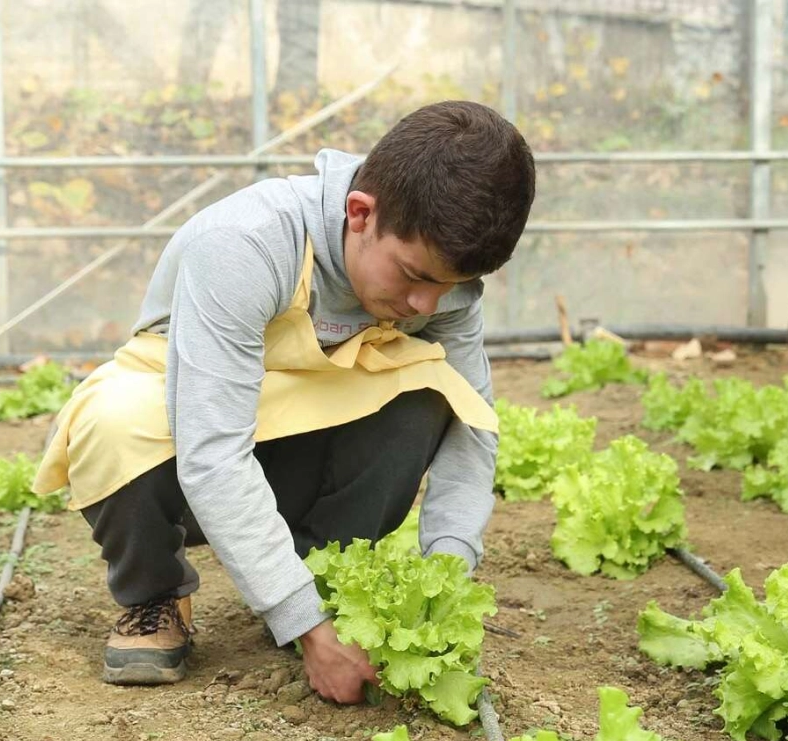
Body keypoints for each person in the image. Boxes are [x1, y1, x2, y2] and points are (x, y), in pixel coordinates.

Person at [33, 100, 536, 704]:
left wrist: (448, 574)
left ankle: (319, 580)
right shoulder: (244, 243)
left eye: (450, 286)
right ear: (360, 213)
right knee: (112, 420)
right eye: (413, 276)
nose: (428, 305)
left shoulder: (443, 285)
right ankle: (156, 595)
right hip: (187, 441)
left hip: (299, 439)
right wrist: (304, 626)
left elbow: (474, 426)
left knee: (432, 392)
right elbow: (213, 450)